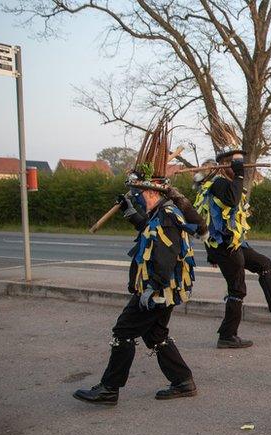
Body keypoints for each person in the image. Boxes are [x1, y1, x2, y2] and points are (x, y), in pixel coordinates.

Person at [74, 119, 199, 405]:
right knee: (155, 335)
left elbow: (165, 257)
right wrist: (132, 214)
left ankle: (109, 389)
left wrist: (150, 288)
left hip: (157, 290)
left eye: (139, 194)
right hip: (161, 290)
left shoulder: (167, 216)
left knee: (123, 332)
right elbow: (149, 234)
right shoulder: (160, 213)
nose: (137, 197)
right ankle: (183, 381)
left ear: (153, 192)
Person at [193, 119, 271, 349]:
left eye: (240, 161)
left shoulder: (226, 183)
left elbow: (224, 218)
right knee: (237, 289)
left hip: (235, 244)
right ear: (224, 164)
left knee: (264, 263)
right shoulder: (218, 184)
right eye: (236, 161)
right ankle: (227, 336)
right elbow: (229, 203)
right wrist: (240, 176)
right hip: (226, 247)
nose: (240, 164)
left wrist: (239, 175)